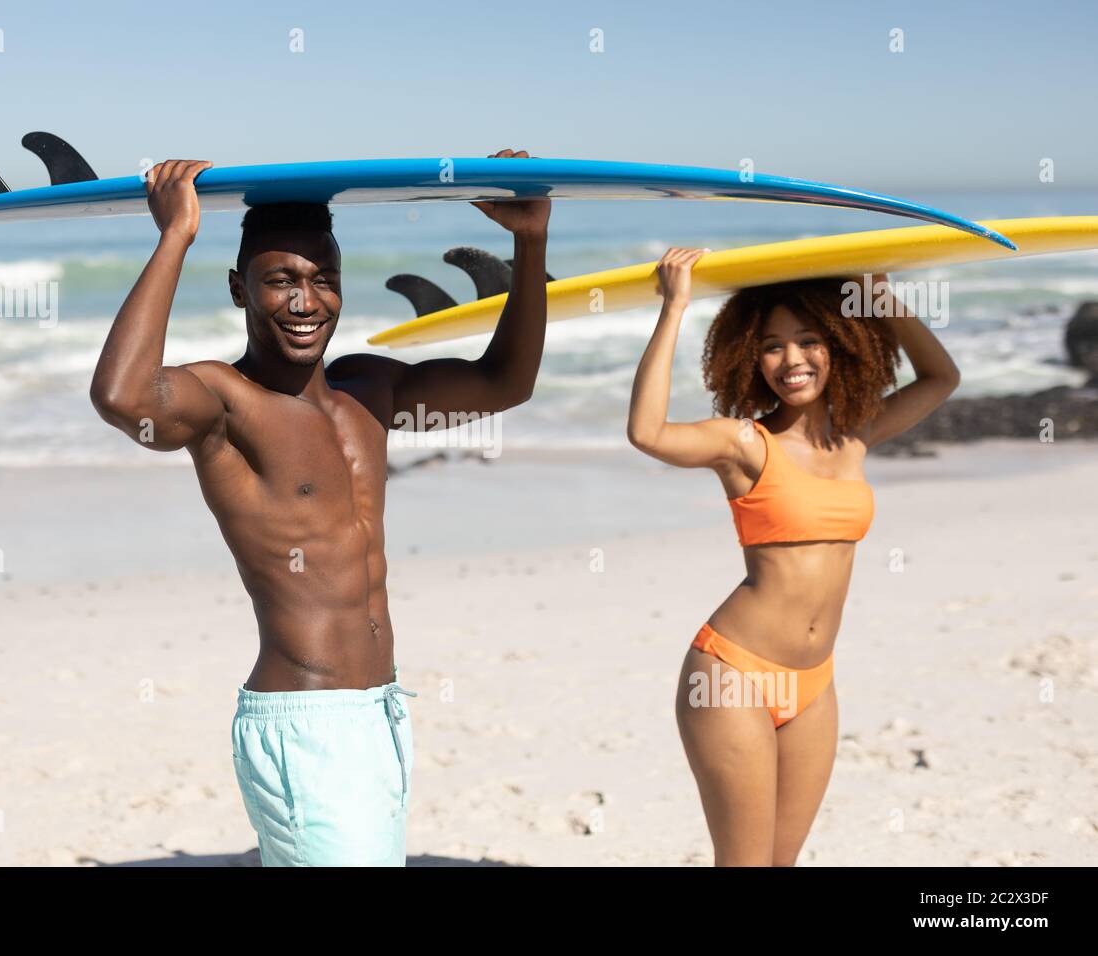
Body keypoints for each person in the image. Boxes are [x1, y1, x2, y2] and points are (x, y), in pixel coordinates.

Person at [90, 151, 551, 866]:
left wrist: (530, 241)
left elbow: (504, 382)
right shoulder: (223, 402)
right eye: (280, 282)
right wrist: (174, 236)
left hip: (383, 710)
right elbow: (122, 396)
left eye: (322, 280)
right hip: (306, 721)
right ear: (240, 289)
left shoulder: (370, 389)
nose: (306, 301)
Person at [627, 249, 959, 865]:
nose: (792, 360)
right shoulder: (745, 443)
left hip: (815, 682)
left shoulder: (857, 434)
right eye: (772, 346)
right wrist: (674, 306)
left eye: (809, 341)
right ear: (751, 357)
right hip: (733, 675)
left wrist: (884, 300)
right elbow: (647, 433)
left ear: (839, 344)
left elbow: (942, 378)